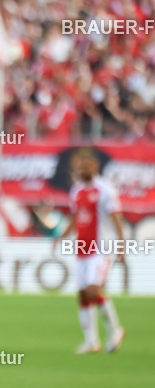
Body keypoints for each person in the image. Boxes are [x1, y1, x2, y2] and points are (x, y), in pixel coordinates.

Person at [57, 148, 126, 354]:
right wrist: (62, 237)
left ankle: (115, 330)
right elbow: (75, 217)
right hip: (81, 249)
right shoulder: (76, 190)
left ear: (95, 167)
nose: (81, 170)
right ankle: (91, 341)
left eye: (85, 166)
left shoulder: (105, 189)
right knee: (82, 294)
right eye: (79, 167)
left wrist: (121, 245)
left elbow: (116, 217)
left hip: (101, 249)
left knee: (93, 290)